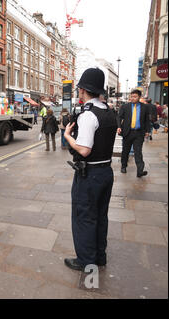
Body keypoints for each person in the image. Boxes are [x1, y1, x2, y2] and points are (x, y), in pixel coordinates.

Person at [63, 68, 117, 271]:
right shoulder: (108, 111)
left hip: (90, 174)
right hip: (106, 172)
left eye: (79, 89)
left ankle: (86, 260)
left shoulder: (88, 115)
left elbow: (84, 150)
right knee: (101, 216)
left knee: (84, 217)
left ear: (83, 90)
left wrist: (68, 136)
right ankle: (99, 256)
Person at [117, 89, 150, 177]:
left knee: (138, 152)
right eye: (131, 96)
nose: (132, 98)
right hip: (128, 132)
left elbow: (147, 120)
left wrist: (147, 131)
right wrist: (119, 126)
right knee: (125, 151)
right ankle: (123, 166)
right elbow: (119, 117)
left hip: (139, 133)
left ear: (139, 97)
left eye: (135, 97)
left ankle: (140, 171)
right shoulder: (125, 106)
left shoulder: (145, 107)